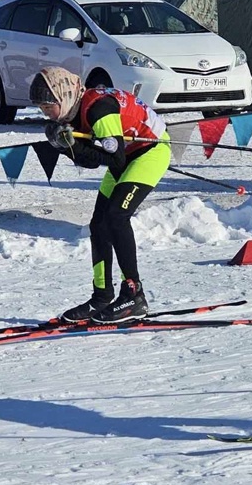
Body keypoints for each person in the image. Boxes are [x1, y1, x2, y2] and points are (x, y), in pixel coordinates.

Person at [29, 67, 170, 323]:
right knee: (99, 224)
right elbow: (93, 161)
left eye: (48, 106)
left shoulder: (98, 109)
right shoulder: (73, 112)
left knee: (117, 216)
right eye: (42, 108)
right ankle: (102, 297)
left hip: (150, 150)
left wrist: (70, 146)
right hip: (127, 156)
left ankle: (134, 295)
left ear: (65, 96)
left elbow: (112, 159)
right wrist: (64, 146)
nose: (45, 113)